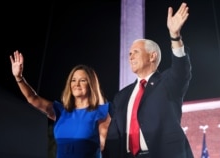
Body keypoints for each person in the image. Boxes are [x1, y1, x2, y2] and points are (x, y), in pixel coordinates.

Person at [103, 2, 194, 158]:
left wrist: (175, 36)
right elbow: (114, 137)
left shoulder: (168, 82)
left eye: (136, 52)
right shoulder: (121, 96)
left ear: (152, 56)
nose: (130, 57)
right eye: (130, 53)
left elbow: (181, 69)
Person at [10, 50, 111, 158]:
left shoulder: (101, 113)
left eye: (82, 80)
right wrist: (19, 77)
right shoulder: (61, 111)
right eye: (73, 80)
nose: (76, 84)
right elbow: (32, 98)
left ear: (91, 84)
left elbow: (104, 145)